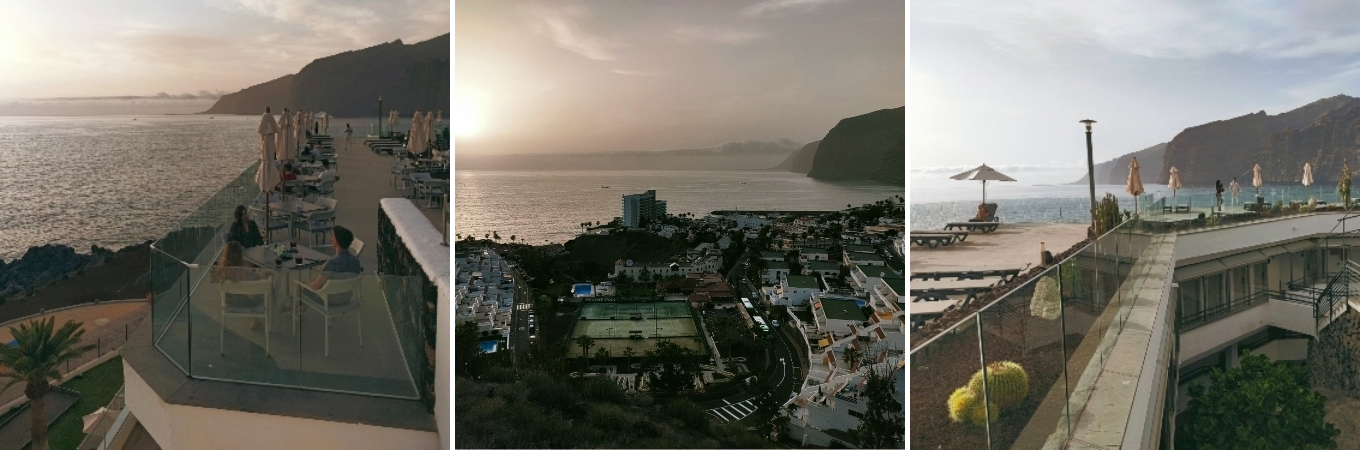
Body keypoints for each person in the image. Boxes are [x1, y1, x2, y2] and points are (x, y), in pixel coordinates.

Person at [299, 226, 363, 308]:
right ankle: (300, 309)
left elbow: (314, 286)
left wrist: (305, 285)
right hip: (346, 298)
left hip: (329, 300)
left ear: (335, 241)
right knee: (316, 281)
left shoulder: (332, 263)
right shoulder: (356, 261)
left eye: (333, 236)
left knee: (301, 286)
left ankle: (296, 310)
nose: (331, 238)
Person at [212, 241, 271, 330]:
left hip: (229, 302)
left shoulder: (220, 271)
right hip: (246, 303)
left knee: (254, 282)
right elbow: (262, 276)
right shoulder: (245, 275)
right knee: (263, 285)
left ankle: (255, 320)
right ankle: (256, 319)